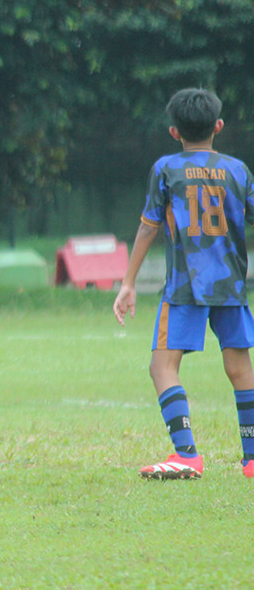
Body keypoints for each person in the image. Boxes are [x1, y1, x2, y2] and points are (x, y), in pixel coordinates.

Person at [114, 88, 254, 479]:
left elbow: (148, 227)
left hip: (184, 286)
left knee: (162, 366)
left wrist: (128, 282)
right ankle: (252, 459)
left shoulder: (166, 169)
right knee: (239, 367)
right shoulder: (238, 170)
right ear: (218, 126)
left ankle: (187, 455)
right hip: (230, 286)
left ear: (174, 132)